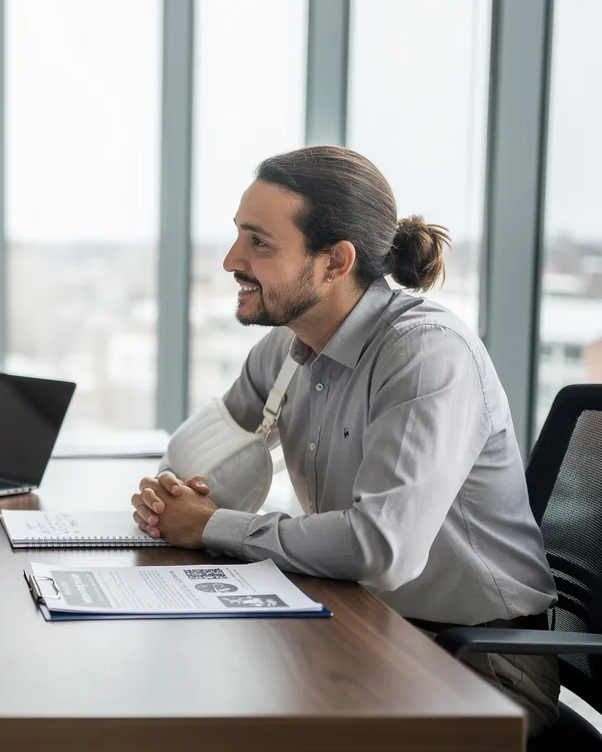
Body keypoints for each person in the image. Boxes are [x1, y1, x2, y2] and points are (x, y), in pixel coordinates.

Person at [132, 145, 559, 735]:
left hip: (479, 663)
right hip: (366, 625)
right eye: (237, 236)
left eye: (259, 242)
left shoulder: (424, 353)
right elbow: (198, 464)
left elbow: (381, 547)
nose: (232, 259)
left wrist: (206, 525)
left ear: (335, 261)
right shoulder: (284, 350)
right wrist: (169, 498)